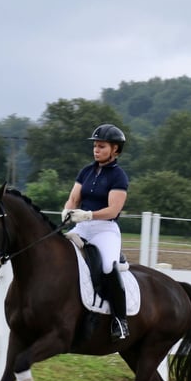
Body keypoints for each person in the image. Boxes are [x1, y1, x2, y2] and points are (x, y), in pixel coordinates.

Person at [61, 123, 130, 341]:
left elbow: (113, 210)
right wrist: (67, 211)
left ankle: (120, 320)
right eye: (95, 146)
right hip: (82, 226)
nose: (96, 150)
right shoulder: (86, 171)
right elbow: (74, 198)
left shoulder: (118, 176)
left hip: (105, 229)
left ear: (115, 149)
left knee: (108, 266)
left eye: (101, 146)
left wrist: (89, 215)